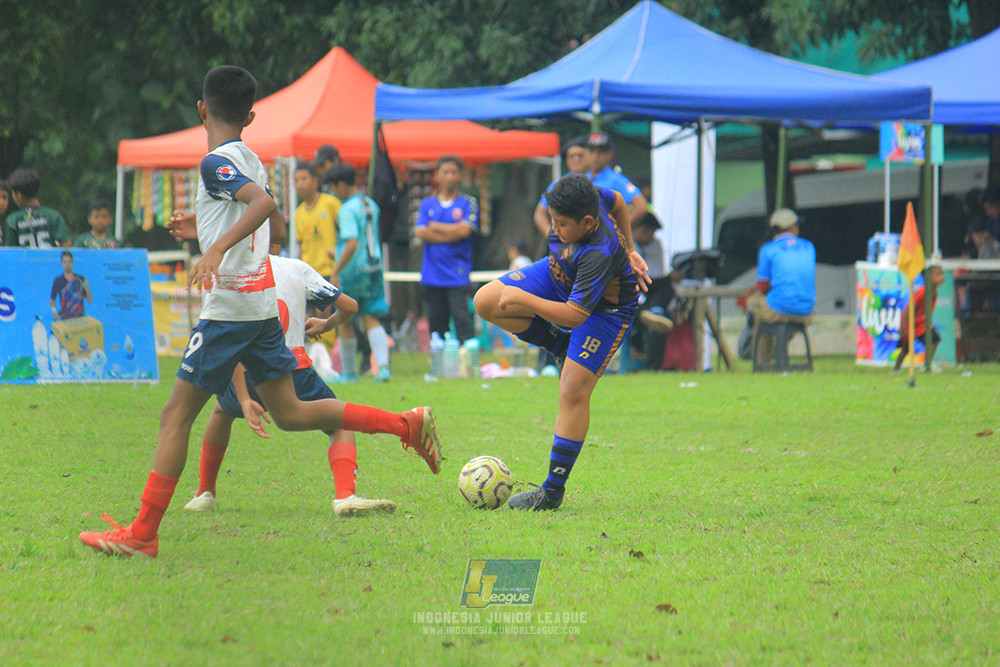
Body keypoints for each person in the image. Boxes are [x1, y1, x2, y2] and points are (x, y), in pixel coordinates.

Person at [78, 65, 440, 559]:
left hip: (230, 308)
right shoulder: (252, 159)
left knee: (175, 416)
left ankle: (143, 534)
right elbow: (269, 220)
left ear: (201, 110)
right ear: (250, 116)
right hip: (261, 307)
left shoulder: (214, 163)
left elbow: (262, 206)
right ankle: (406, 424)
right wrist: (205, 228)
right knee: (291, 413)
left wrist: (215, 247)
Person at [174, 240, 396, 516]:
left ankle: (205, 492)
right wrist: (327, 324)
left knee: (221, 412)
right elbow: (349, 306)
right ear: (277, 240)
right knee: (339, 424)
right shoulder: (296, 268)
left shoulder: (231, 270)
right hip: (294, 371)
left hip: (248, 372)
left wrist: (242, 398)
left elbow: (226, 337)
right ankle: (345, 495)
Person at [473, 174, 649, 511]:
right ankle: (560, 346)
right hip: (559, 276)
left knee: (572, 390)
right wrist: (631, 250)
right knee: (485, 301)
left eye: (561, 224)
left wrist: (523, 298)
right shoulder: (589, 195)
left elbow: (574, 315)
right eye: (552, 219)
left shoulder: (598, 252)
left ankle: (551, 491)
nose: (554, 229)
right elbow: (618, 201)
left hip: (605, 310)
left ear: (588, 222)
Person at [324, 163, 392, 383]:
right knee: (371, 316)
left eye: (333, 188)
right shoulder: (370, 203)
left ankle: (349, 372)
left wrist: (336, 269)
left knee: (344, 319)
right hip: (374, 267)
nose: (333, 193)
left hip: (353, 270)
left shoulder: (346, 209)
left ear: (341, 185)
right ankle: (383, 368)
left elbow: (352, 243)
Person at [415, 156, 478, 343]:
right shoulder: (427, 204)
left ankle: (468, 356)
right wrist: (453, 232)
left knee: (463, 321)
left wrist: (435, 226)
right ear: (437, 176)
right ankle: (440, 359)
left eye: (454, 172)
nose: (450, 177)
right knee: (437, 327)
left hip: (457, 273)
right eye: (445, 172)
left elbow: (465, 231)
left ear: (460, 176)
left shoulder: (468, 202)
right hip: (432, 274)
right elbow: (420, 231)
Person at [747, 208, 816, 364]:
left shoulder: (768, 249)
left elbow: (762, 287)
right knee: (773, 311)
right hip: (807, 310)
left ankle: (761, 361)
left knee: (755, 304)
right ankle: (781, 346)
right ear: (792, 228)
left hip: (781, 309)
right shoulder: (809, 247)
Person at [585, 132, 649, 226]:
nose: (595, 156)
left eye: (600, 152)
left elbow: (641, 206)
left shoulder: (616, 180)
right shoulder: (583, 179)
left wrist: (619, 229)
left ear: (609, 154)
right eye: (592, 151)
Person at [532, 136, 589, 238]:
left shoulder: (600, 179)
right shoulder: (560, 184)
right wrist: (553, 237)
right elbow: (539, 213)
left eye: (579, 155)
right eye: (571, 156)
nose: (576, 159)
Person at [894, 262, 945, 372]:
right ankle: (896, 369)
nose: (942, 277)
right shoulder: (923, 292)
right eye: (938, 274)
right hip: (912, 324)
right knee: (906, 349)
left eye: (942, 274)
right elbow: (908, 308)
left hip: (923, 324)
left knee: (935, 339)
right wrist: (904, 326)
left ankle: (927, 364)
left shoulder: (933, 291)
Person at [4, 168, 71, 248]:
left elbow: (11, 250)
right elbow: (67, 244)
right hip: (49, 256)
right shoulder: (53, 216)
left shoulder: (13, 220)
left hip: (25, 257)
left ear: (19, 195)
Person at [50, 250, 92, 320]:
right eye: (64, 262)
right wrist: (54, 312)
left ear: (72, 263)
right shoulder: (58, 281)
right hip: (66, 319)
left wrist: (87, 288)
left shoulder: (80, 279)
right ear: (61, 264)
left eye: (69, 261)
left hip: (81, 319)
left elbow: (89, 300)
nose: (67, 264)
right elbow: (52, 299)